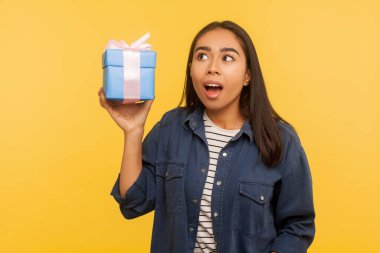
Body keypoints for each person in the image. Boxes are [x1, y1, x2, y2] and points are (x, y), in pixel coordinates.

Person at [98, 20, 315, 253]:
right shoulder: (171, 128)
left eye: (227, 58)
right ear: (191, 69)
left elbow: (298, 226)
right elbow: (133, 202)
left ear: (247, 76)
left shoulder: (282, 140)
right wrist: (133, 131)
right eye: (202, 57)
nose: (212, 67)